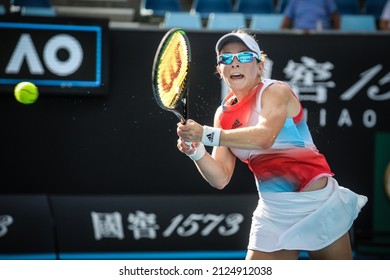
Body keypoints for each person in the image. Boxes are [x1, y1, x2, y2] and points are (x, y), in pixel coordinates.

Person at [176, 29, 367, 260]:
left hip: (318, 204)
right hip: (274, 212)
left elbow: (265, 138)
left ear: (259, 65)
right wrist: (196, 151)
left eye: (244, 57)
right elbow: (220, 178)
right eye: (226, 58)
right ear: (219, 70)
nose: (234, 63)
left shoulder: (276, 90)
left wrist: (205, 134)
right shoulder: (222, 115)